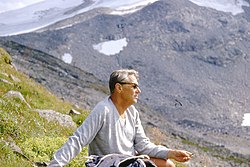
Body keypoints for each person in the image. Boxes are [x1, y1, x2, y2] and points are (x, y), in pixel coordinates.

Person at [48, 69, 193, 167]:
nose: (138, 91)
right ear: (119, 88)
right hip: (107, 163)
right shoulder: (103, 109)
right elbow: (78, 139)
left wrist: (170, 153)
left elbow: (143, 146)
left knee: (168, 164)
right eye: (134, 86)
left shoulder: (133, 112)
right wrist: (55, 165)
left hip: (129, 161)